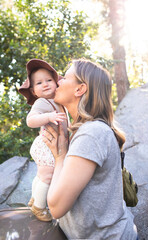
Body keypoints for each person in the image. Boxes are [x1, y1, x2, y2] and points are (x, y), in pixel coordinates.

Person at [42, 58, 138, 239]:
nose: (58, 80)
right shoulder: (87, 131)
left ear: (80, 89)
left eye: (65, 76)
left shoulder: (91, 134)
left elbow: (56, 208)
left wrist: (60, 156)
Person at [19, 59, 68, 222]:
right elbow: (30, 121)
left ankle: (34, 199)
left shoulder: (59, 101)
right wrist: (48, 117)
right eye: (39, 83)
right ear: (33, 91)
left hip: (49, 145)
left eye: (49, 80)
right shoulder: (42, 102)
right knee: (48, 176)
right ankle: (40, 207)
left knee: (42, 174)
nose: (45, 84)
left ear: (56, 82)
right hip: (45, 145)